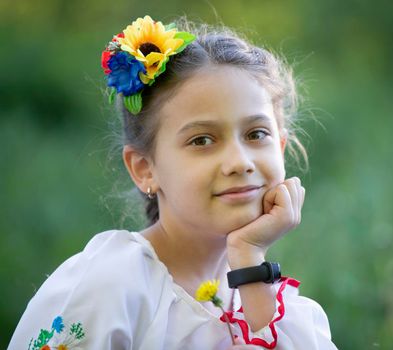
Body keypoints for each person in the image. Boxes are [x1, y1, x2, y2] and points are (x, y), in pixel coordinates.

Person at [9, 15, 338, 349]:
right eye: (201, 140)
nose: (240, 161)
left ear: (280, 147)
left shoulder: (276, 309)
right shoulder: (112, 286)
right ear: (144, 169)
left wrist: (249, 258)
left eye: (256, 134)